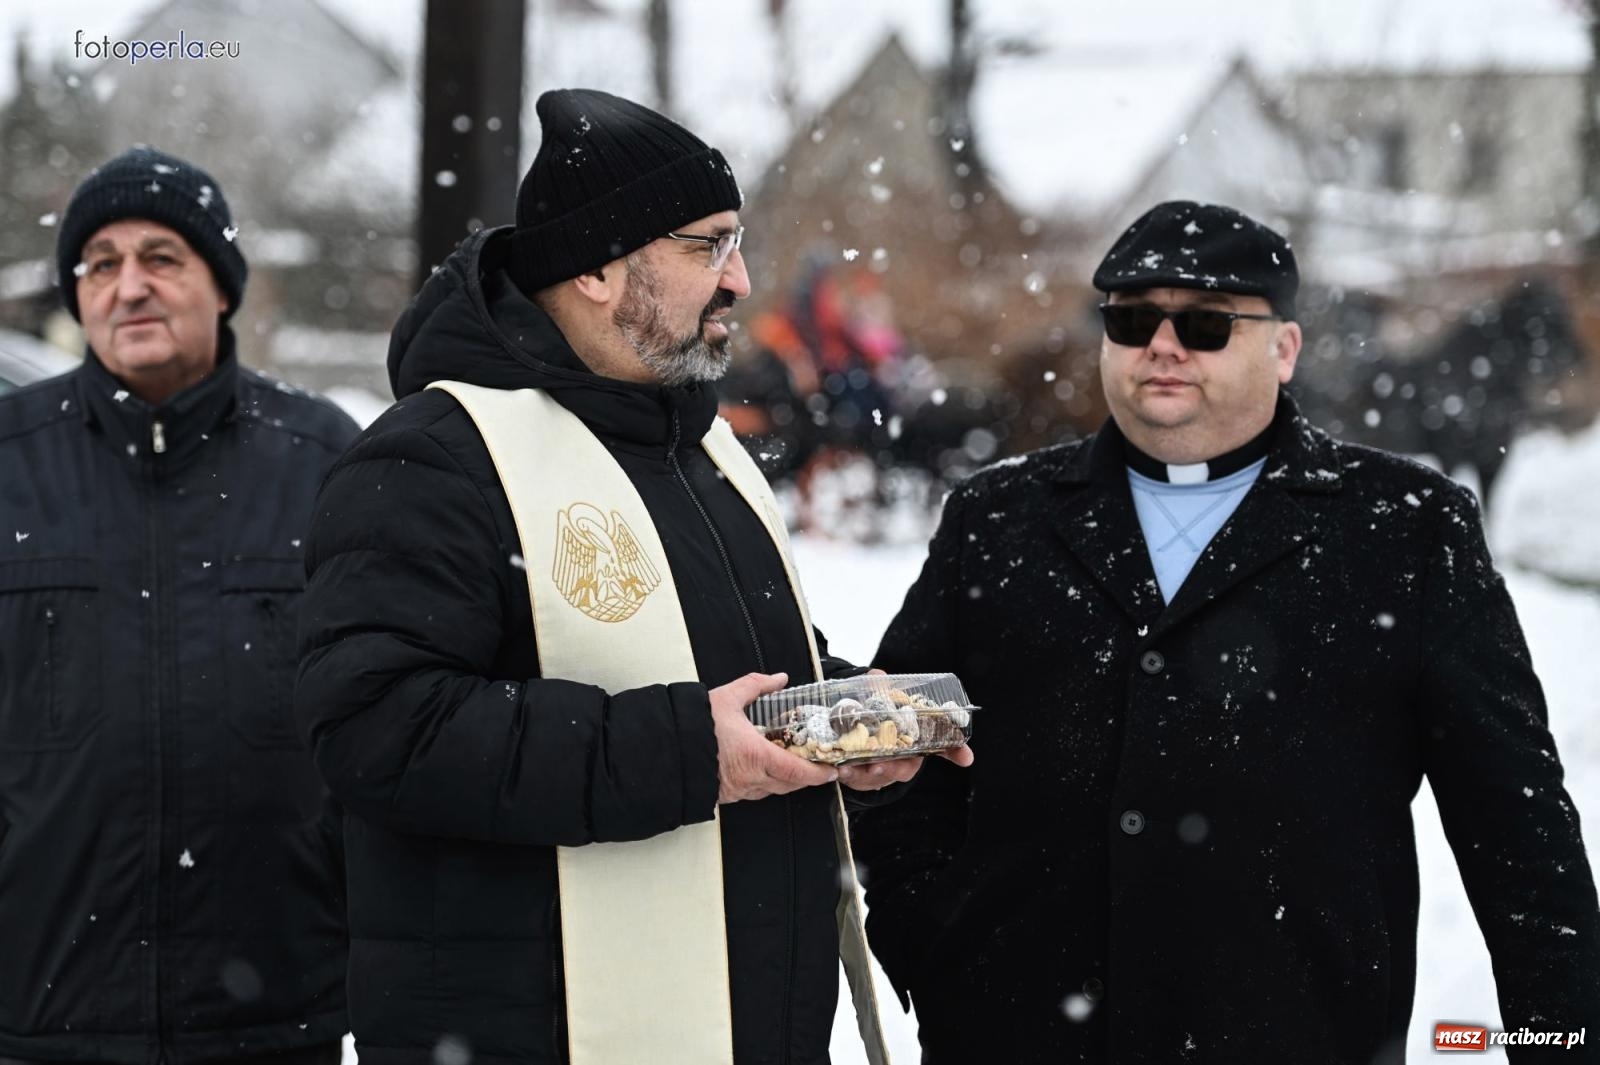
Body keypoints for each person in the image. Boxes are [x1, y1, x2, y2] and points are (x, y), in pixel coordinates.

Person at [294, 88, 969, 1065]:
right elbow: (377, 728)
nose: (740, 280)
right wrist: (690, 750)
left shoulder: (707, 450)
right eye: (707, 246)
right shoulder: (434, 458)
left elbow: (723, 664)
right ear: (600, 269)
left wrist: (839, 716)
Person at [851, 200, 1600, 1063]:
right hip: (1021, 1032)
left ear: (1284, 350)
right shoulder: (999, 518)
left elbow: (1519, 828)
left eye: (1206, 324)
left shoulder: (1406, 531)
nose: (1162, 346)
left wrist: (1560, 1034)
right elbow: (898, 743)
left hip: (1294, 1032)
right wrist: (928, 936)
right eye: (1132, 320)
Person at [0, 147, 358, 1064]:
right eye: (101, 263)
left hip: (280, 1015)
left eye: (162, 257)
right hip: (42, 1016)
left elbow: (385, 721)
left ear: (223, 286)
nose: (129, 287)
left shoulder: (323, 459)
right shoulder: (9, 459)